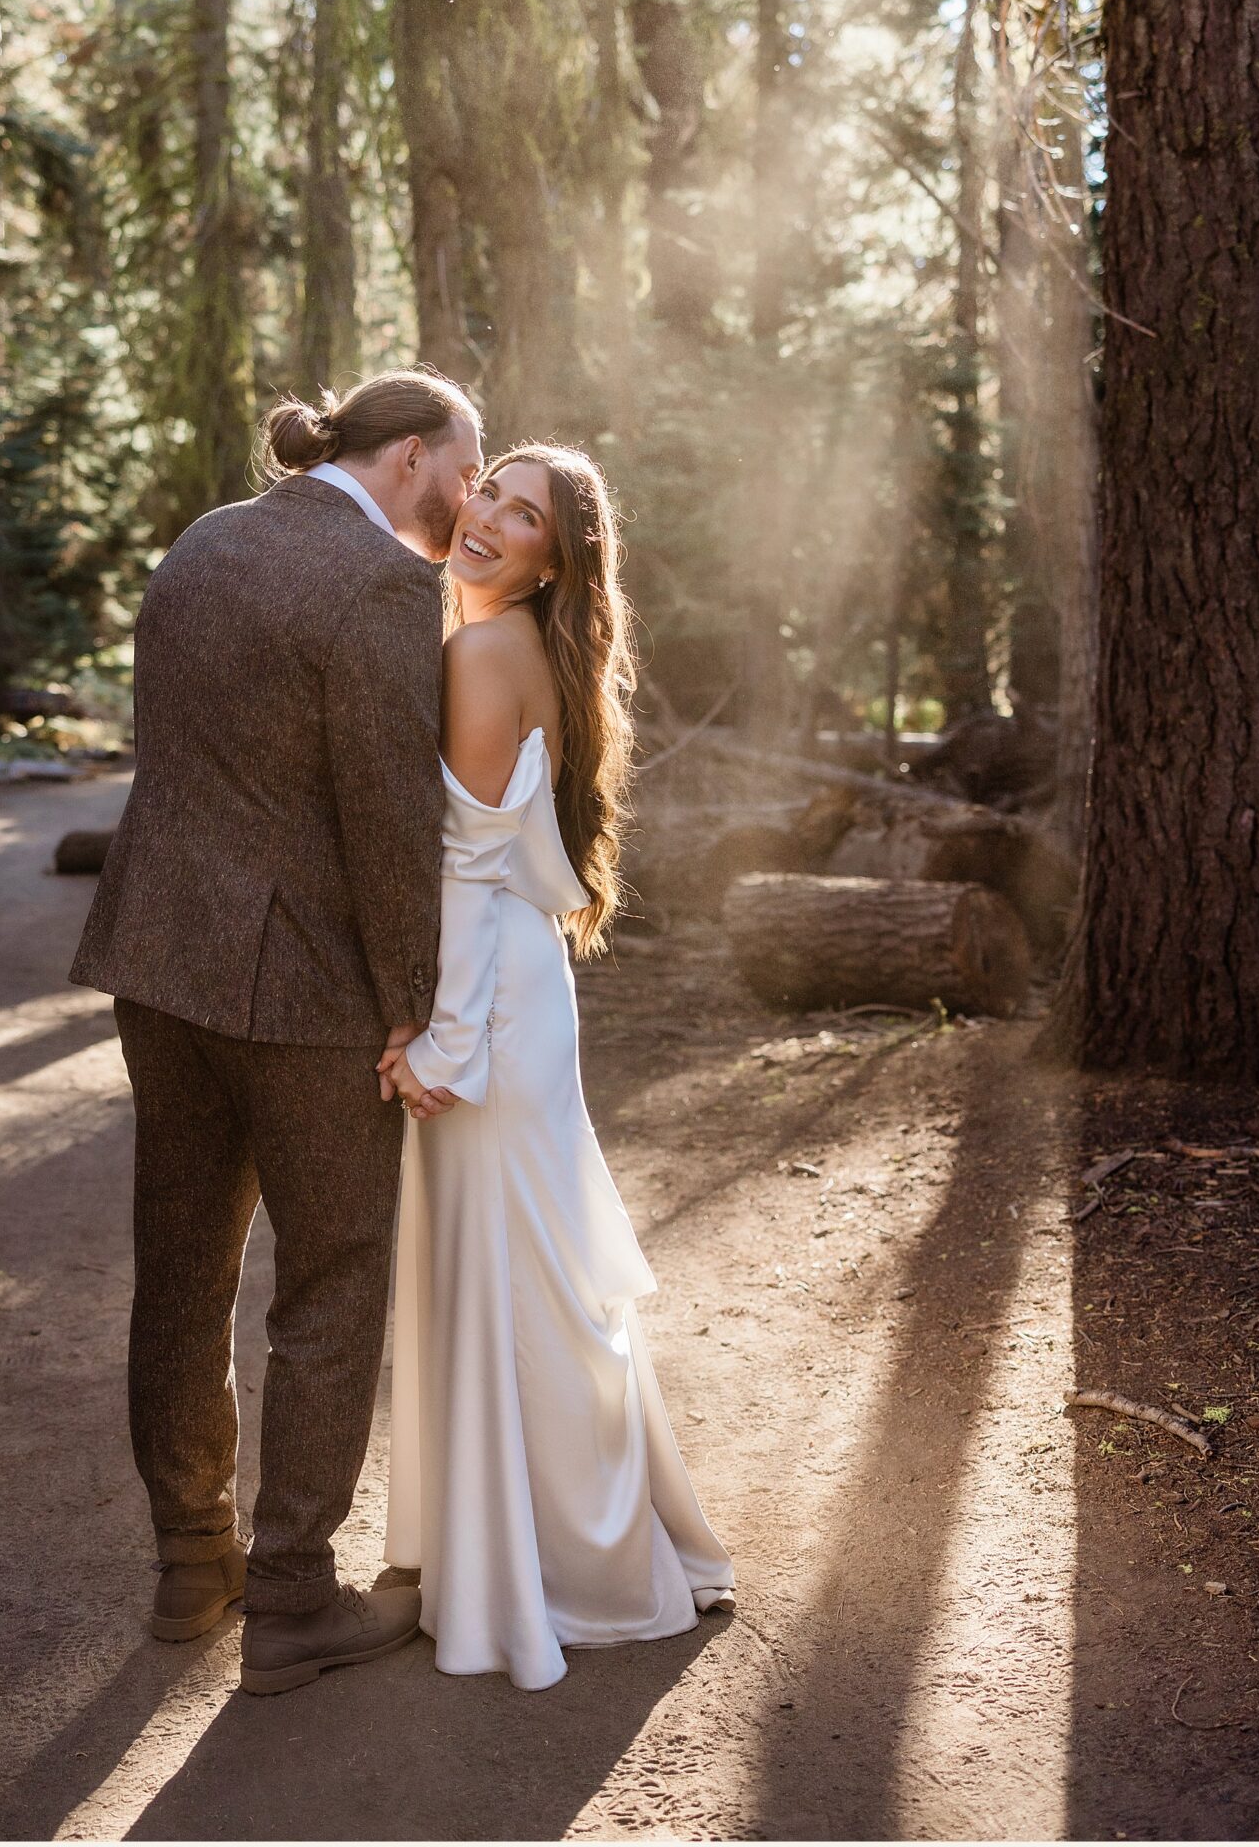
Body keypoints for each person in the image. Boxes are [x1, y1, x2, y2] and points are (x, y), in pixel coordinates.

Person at [69, 368, 483, 1696]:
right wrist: (418, 1008)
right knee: (337, 1267)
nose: (471, 498)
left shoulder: (206, 540)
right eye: (467, 468)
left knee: (181, 1262)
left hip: (156, 962)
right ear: (413, 455)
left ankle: (193, 1563)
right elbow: (386, 819)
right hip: (300, 993)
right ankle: (297, 1597)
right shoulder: (378, 588)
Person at [380, 444, 734, 1690]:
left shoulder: (484, 651)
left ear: (552, 557)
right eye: (489, 492)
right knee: (512, 1267)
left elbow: (468, 866)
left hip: (492, 1010)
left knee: (514, 1275)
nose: (485, 518)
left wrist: (444, 1041)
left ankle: (568, 1565)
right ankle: (507, 1545)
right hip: (515, 984)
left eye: (521, 515)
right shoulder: (512, 639)